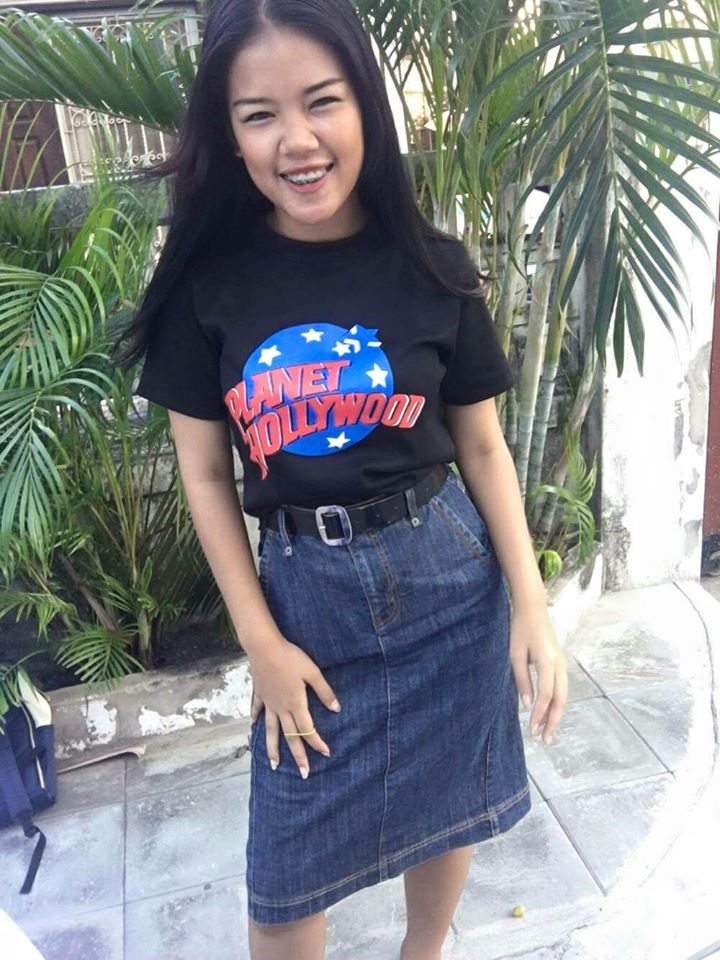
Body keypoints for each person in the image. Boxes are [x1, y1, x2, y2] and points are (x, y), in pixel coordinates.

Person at [119, 0, 568, 956]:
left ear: (365, 104)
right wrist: (261, 645)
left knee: (447, 804)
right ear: (229, 136)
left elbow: (483, 448)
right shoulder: (207, 284)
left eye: (322, 101)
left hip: (449, 583)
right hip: (305, 608)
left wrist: (531, 604)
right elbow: (204, 477)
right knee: (285, 883)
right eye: (260, 115)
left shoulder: (433, 267)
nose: (298, 140)